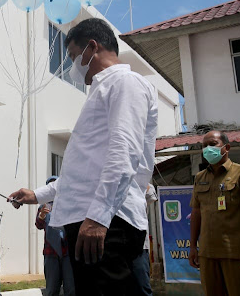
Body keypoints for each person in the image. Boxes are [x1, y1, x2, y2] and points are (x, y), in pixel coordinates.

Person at [8, 18, 158, 295]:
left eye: (74, 56)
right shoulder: (101, 90)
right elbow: (82, 174)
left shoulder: (124, 83)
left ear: (92, 47)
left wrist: (99, 217)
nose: (73, 66)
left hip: (105, 222)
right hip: (91, 219)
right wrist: (37, 195)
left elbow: (124, 152)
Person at [188, 131, 240, 296]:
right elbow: (196, 212)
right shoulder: (200, 177)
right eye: (204, 146)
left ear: (226, 147)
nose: (208, 149)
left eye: (212, 144)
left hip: (236, 254)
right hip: (207, 254)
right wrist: (193, 246)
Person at [36, 176, 75, 296]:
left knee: (71, 288)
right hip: (51, 252)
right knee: (52, 289)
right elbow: (39, 225)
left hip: (68, 252)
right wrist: (42, 215)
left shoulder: (69, 204)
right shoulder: (44, 206)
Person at [130, 183, 157, 295]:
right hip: (114, 243)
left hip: (139, 246)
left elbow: (150, 195)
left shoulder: (141, 182)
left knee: (141, 287)